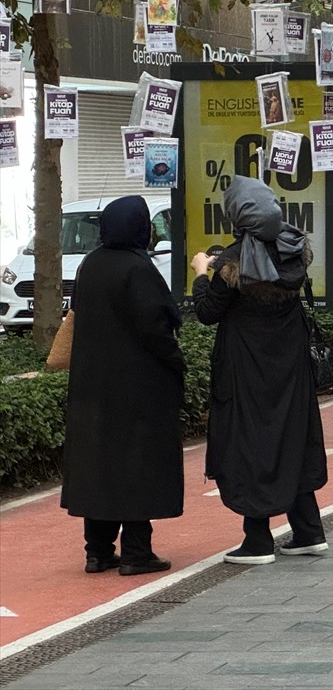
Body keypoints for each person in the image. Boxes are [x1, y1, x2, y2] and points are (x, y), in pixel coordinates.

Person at [192, 176, 329, 565]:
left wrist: (203, 271)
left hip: (246, 369)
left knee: (250, 442)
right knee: (293, 436)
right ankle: (308, 531)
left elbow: (206, 312)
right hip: (291, 365)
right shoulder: (292, 247)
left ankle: (257, 540)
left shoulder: (233, 262)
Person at [60, 197, 185, 576]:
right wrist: (177, 361)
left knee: (99, 465)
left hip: (91, 387)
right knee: (138, 465)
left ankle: (97, 551)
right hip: (137, 388)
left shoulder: (90, 264)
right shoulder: (138, 268)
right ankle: (136, 552)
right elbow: (155, 327)